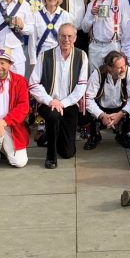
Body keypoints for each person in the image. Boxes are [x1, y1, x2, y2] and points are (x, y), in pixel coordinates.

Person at [29, 23, 88, 168]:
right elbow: (33, 83)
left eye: (69, 36)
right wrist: (51, 101)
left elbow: (81, 86)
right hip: (48, 103)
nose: (66, 39)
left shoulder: (81, 56)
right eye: (63, 36)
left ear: (75, 38)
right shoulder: (45, 55)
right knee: (54, 116)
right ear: (57, 37)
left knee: (68, 153)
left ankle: (48, 137)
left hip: (68, 104)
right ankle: (51, 156)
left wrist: (63, 103)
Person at [84, 51, 130, 149]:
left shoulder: (128, 72)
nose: (123, 69)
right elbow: (88, 99)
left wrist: (120, 114)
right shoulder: (98, 74)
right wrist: (101, 115)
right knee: (84, 108)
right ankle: (94, 135)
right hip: (101, 108)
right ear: (109, 68)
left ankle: (123, 134)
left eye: (124, 65)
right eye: (119, 67)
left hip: (120, 108)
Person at [81, 0, 121, 70]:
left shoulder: (121, 2)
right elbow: (84, 28)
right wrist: (91, 15)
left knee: (113, 76)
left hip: (113, 45)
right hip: (95, 46)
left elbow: (125, 27)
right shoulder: (92, 4)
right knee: (94, 77)